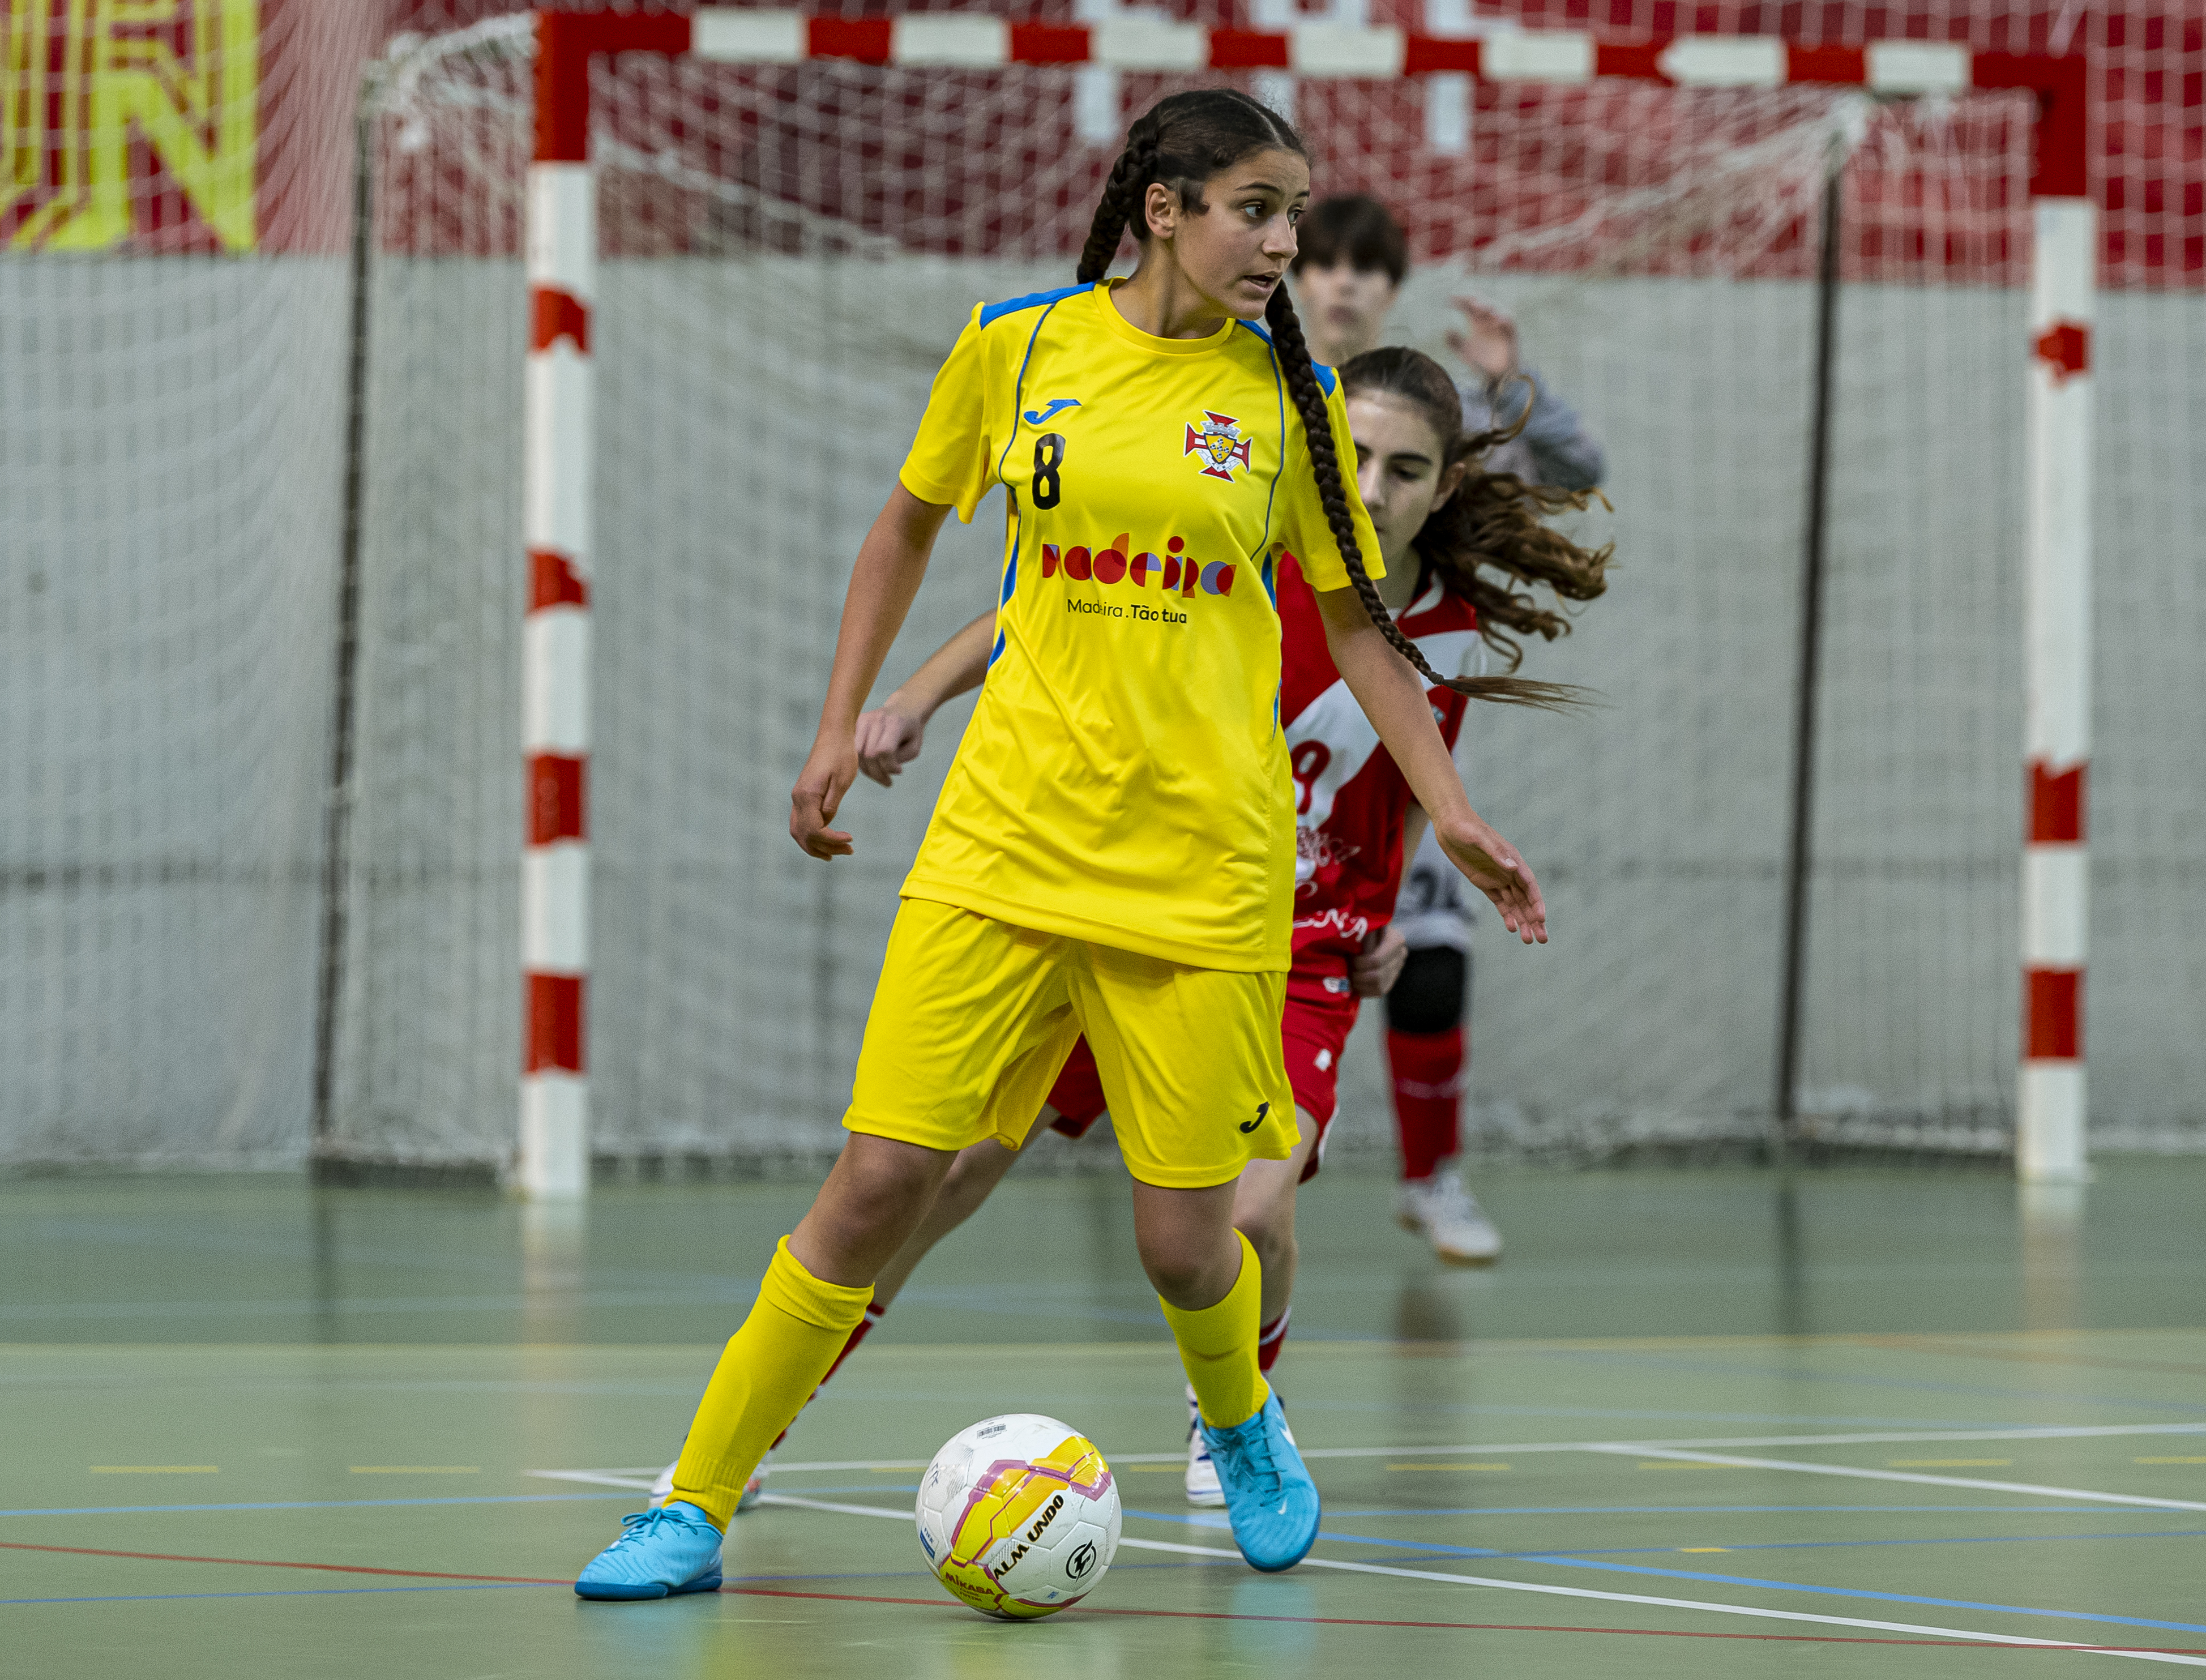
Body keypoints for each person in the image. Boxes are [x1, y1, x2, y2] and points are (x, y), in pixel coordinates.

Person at [572, 87, 1558, 1603]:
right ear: (1161, 207)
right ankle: (691, 1503)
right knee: (879, 1182)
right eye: (1254, 208)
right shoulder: (1017, 346)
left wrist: (1452, 809)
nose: (1283, 242)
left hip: (1202, 871)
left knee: (1186, 1249)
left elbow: (1358, 623)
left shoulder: (1288, 404)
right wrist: (846, 721)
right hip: (1001, 846)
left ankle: (1237, 1417)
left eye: (1293, 213)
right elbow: (905, 527)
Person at [790, 344, 1608, 1509]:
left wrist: (1387, 912)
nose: (1371, 486)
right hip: (1127, 897)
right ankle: (778, 1411)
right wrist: (914, 696)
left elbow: (1404, 792)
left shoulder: (1447, 631)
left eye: (1405, 468)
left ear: (1442, 489)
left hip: (1294, 945)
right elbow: (1036, 610)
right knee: (943, 1172)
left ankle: (1230, 1417)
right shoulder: (1245, 552)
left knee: (1253, 1205)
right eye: (1355, 455)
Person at [1292, 194, 1608, 1263]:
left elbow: (1574, 472)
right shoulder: (1249, 395)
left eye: (1366, 271)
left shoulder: (1425, 419)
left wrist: (1511, 384)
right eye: (1322, 265)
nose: (1342, 286)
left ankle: (1433, 1181)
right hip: (1251, 744)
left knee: (1424, 955)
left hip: (1390, 756)